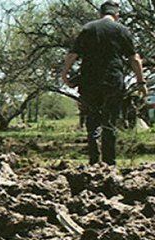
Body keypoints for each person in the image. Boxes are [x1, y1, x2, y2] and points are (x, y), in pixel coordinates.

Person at [62, 1, 147, 165]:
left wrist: (65, 73)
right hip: (113, 81)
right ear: (117, 15)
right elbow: (134, 58)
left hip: (89, 82)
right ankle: (109, 164)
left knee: (92, 120)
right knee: (109, 121)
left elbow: (72, 54)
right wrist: (141, 81)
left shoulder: (88, 28)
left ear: (101, 14)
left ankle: (94, 162)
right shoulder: (122, 30)